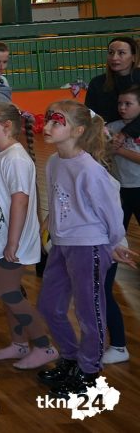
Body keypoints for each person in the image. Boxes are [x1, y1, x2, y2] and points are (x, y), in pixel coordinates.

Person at [36, 101, 136, 396]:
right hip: (61, 246)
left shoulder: (90, 170)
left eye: (56, 122)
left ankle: (89, 370)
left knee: (89, 311)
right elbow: (58, 202)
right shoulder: (54, 162)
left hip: (89, 247)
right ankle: (70, 358)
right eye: (48, 120)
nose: (47, 127)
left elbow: (112, 214)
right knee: (49, 306)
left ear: (78, 130)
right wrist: (49, 230)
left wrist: (114, 244)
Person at [0, 104, 56, 370]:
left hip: (11, 241)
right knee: (7, 293)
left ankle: (44, 347)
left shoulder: (16, 159)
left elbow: (20, 201)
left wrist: (13, 242)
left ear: (7, 126)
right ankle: (19, 343)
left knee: (8, 292)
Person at [104, 85, 140, 365]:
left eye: (128, 103)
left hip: (139, 187)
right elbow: (103, 148)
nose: (123, 108)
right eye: (120, 103)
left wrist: (121, 151)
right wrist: (110, 146)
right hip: (121, 190)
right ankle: (112, 265)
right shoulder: (114, 127)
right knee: (117, 235)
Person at [85, 37, 140, 123]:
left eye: (121, 53)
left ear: (133, 57)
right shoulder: (97, 83)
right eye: (111, 53)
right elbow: (89, 115)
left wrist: (128, 130)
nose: (114, 58)